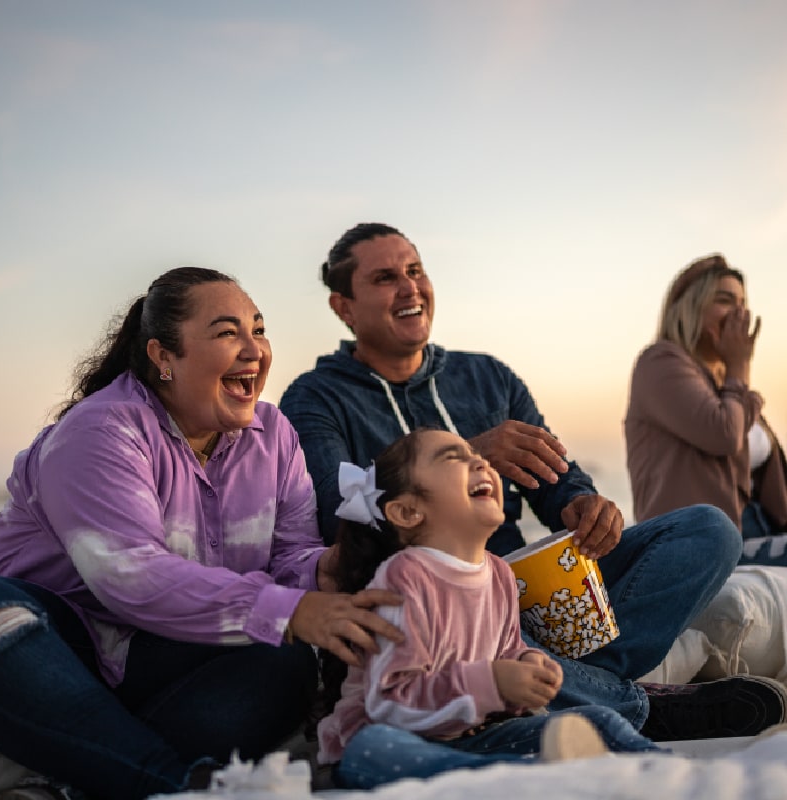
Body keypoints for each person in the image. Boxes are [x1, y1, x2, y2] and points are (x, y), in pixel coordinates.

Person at [280, 222, 787, 742]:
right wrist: (471, 453)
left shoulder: (488, 377)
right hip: (434, 610)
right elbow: (336, 516)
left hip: (520, 593)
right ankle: (634, 706)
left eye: (416, 271)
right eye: (386, 278)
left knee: (709, 530)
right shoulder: (314, 397)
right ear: (344, 307)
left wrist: (586, 505)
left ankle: (582, 686)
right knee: (473, 630)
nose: (409, 287)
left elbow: (557, 480)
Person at [0, 267, 403, 800]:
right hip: (53, 652)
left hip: (154, 666)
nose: (254, 350)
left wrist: (335, 568)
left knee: (281, 658)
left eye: (258, 329)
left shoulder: (273, 435)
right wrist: (291, 611)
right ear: (164, 357)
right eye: (228, 333)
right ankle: (168, 785)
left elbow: (290, 557)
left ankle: (82, 777)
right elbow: (131, 577)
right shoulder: (101, 431)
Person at [317, 428, 662, 789]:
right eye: (454, 458)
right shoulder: (405, 577)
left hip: (467, 740)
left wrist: (528, 664)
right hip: (385, 744)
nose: (479, 462)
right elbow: (390, 704)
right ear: (407, 511)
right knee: (374, 747)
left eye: (475, 455)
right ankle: (520, 777)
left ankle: (667, 775)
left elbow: (507, 647)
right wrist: (492, 681)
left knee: (597, 720)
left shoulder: (498, 573)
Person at [625, 254, 787, 565]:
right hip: (703, 543)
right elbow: (723, 434)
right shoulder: (660, 363)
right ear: (690, 306)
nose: (738, 312)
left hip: (757, 530)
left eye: (742, 303)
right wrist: (739, 368)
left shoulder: (722, 383)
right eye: (725, 300)